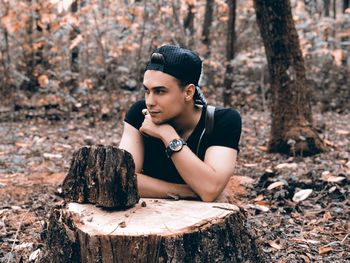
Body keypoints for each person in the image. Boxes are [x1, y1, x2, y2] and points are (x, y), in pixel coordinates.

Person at [119, 44, 241, 202]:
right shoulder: (139, 114)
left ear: (188, 92)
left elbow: (210, 189)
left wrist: (167, 134)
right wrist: (186, 191)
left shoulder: (222, 121)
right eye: (147, 90)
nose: (149, 101)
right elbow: (122, 178)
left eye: (160, 91)